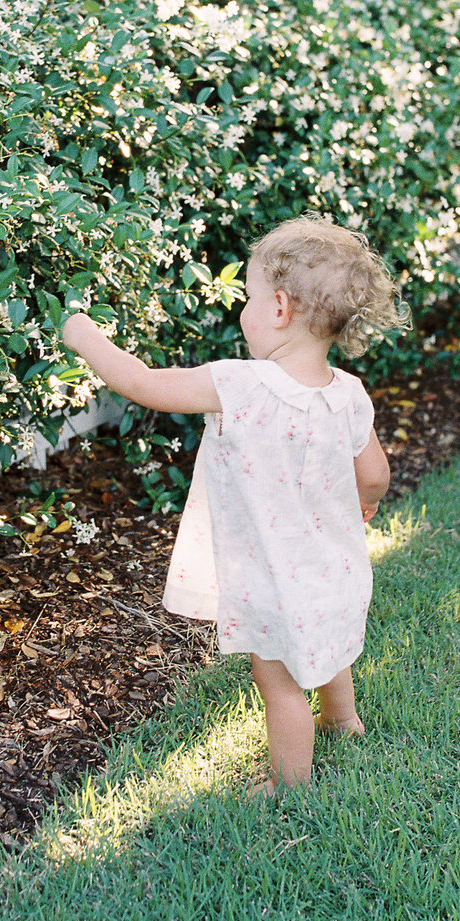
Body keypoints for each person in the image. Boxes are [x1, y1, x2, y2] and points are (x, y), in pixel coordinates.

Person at [61, 215, 409, 795]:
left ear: (278, 309)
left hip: (274, 575)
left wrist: (84, 336)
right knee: (324, 643)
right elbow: (374, 475)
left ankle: (287, 781)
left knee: (278, 680)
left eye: (246, 299)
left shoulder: (239, 385)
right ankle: (344, 721)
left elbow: (144, 384)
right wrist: (365, 505)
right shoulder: (349, 393)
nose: (241, 311)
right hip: (335, 568)